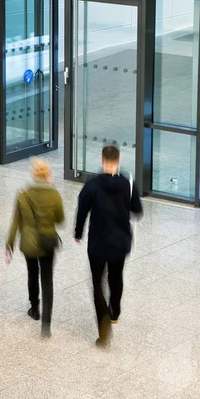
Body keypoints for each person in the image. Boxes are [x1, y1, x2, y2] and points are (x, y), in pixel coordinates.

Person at [75, 145, 143, 347]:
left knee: (97, 283)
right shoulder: (128, 185)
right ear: (118, 160)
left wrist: (78, 232)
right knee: (116, 276)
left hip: (98, 242)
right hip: (120, 241)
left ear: (103, 160)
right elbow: (137, 211)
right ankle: (115, 312)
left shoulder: (92, 185)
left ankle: (104, 328)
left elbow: (82, 211)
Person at [6, 159, 64, 337]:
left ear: (34, 175)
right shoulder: (54, 195)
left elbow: (16, 221)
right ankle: (46, 325)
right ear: (47, 175)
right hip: (47, 242)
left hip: (28, 243)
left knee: (32, 273)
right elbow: (60, 219)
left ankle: (34, 308)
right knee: (47, 280)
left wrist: (9, 245)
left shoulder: (23, 194)